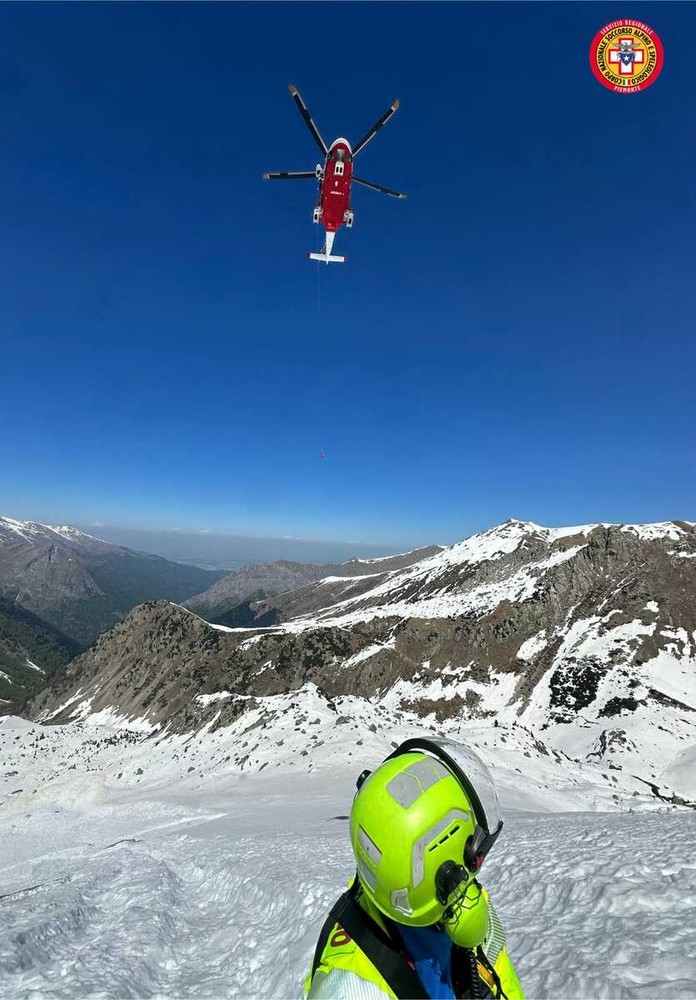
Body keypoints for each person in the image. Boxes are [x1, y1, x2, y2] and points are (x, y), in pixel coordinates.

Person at [303, 736, 524, 999]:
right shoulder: (351, 989)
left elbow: (504, 984)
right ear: (443, 872)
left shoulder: (462, 904)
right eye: (472, 849)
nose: (478, 859)